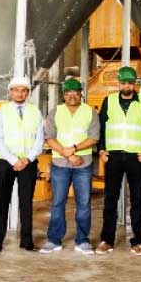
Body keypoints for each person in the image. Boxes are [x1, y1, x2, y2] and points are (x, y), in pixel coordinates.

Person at [96, 66, 141, 256]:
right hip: (113, 156)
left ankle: (137, 242)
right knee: (110, 199)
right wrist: (101, 150)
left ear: (135, 83)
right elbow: (100, 127)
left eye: (130, 82)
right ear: (118, 83)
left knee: (137, 200)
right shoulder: (109, 101)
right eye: (123, 82)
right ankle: (107, 240)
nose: (126, 86)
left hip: (135, 157)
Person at [40, 78, 100, 255]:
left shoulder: (90, 112)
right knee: (58, 203)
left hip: (84, 165)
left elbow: (94, 138)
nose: (72, 96)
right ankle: (54, 240)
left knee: (84, 203)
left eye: (75, 92)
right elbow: (49, 137)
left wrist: (73, 149)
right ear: (63, 95)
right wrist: (69, 155)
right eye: (68, 93)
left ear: (80, 93)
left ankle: (82, 241)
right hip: (60, 164)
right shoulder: (55, 112)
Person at [0, 76, 45, 253]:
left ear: (28, 93)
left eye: (23, 90)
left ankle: (26, 241)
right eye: (16, 90)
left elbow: (39, 139)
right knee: (2, 201)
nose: (19, 93)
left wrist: (27, 159)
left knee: (26, 202)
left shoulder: (35, 112)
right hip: (6, 162)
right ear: (10, 91)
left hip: (28, 162)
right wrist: (14, 160)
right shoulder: (2, 112)